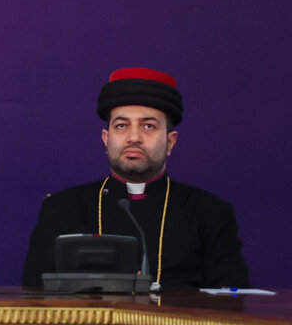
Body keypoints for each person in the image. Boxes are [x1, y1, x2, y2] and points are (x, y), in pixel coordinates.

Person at [22, 67, 249, 288]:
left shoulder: (210, 213)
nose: (134, 137)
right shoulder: (62, 209)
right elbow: (34, 297)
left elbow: (231, 300)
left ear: (170, 142)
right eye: (121, 125)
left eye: (148, 126)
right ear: (106, 138)